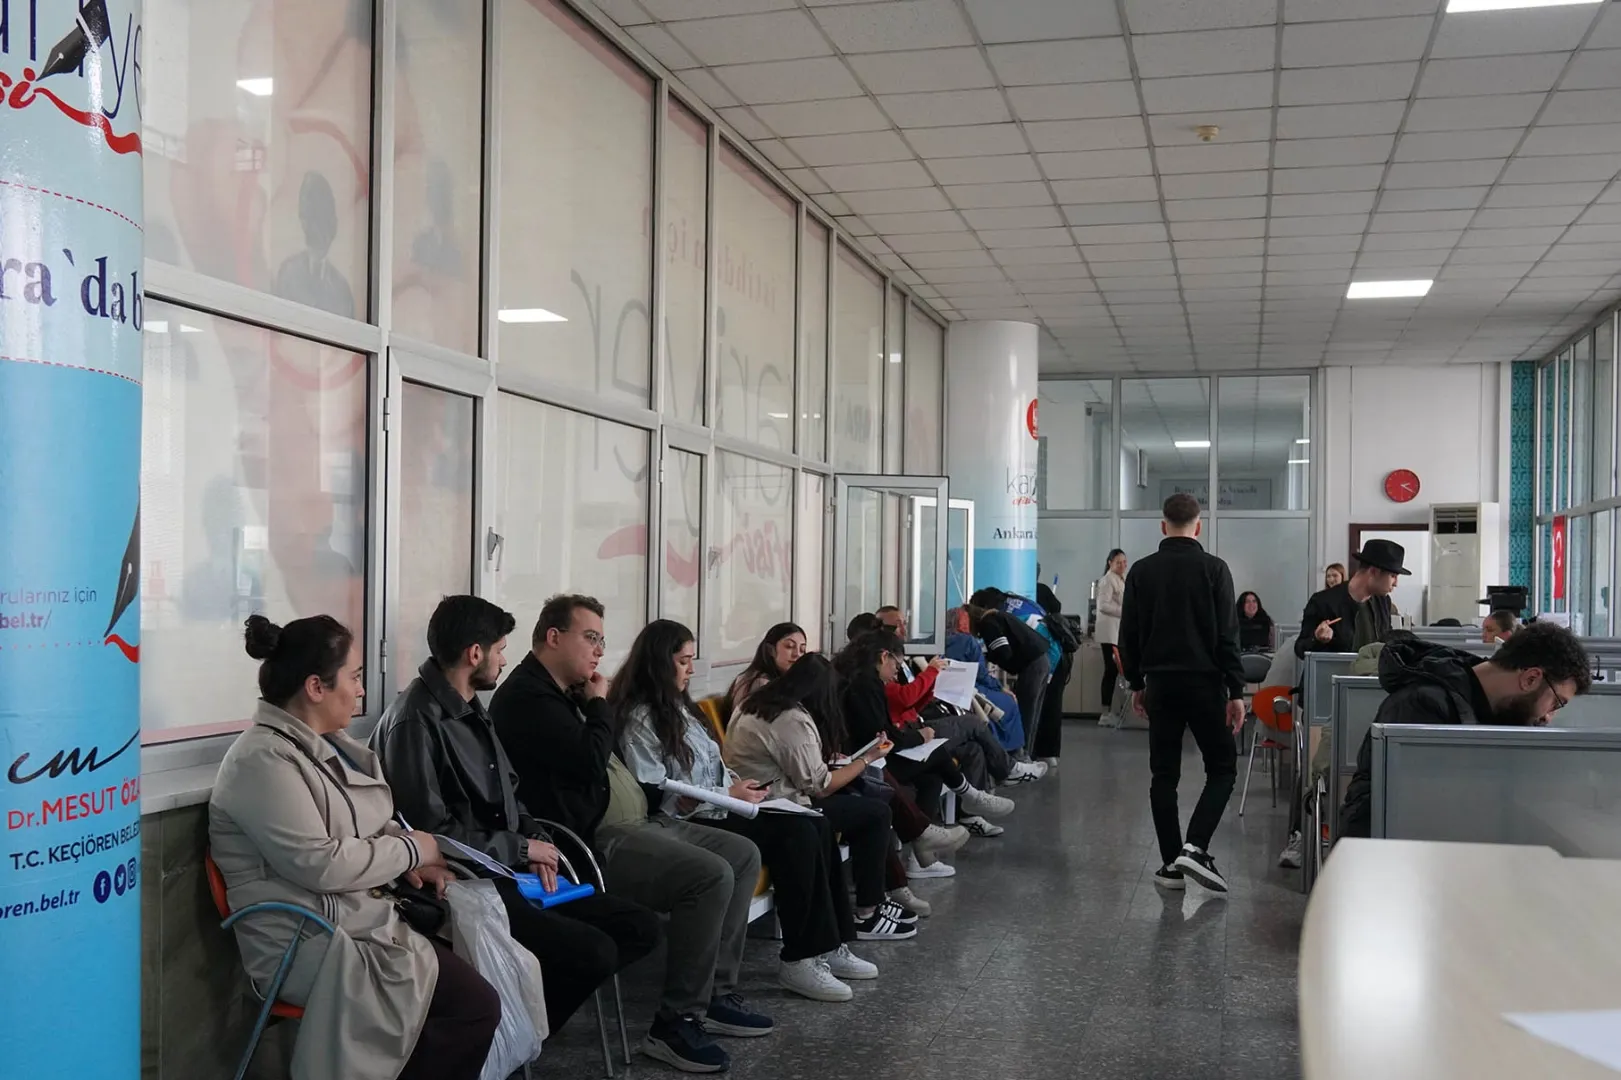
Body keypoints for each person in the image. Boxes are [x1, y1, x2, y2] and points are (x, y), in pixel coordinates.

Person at [478, 596, 763, 1072]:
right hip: (594, 841)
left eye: (602, 640)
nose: (599, 651)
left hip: (639, 822)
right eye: (590, 638)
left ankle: (716, 993)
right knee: (710, 875)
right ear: (553, 637)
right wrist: (597, 703)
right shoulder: (527, 698)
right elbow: (591, 761)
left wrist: (590, 703)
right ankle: (675, 1023)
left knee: (743, 854)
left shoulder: (564, 692)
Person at [369, 597, 665, 1054]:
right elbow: (431, 835)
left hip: (508, 869)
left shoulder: (471, 706)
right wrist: (522, 850)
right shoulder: (415, 720)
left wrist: (537, 840)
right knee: (594, 952)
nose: (505, 660)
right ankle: (503, 1038)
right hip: (469, 885)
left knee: (639, 927)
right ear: (475, 653)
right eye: (501, 649)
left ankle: (515, 1026)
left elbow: (511, 794)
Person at [211, 615, 499, 1080]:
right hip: (306, 942)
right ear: (316, 687)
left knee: (472, 984)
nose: (362, 691)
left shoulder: (324, 745)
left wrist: (411, 860)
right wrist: (414, 850)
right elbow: (321, 864)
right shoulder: (261, 760)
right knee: (472, 1007)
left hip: (355, 918)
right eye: (355, 677)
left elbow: (368, 825)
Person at [616, 621, 878, 1004]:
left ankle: (830, 943)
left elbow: (713, 763)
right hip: (693, 816)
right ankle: (800, 958)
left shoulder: (679, 708)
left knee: (815, 823)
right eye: (684, 661)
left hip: (723, 802)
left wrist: (738, 786)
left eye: (692, 660)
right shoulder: (641, 718)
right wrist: (726, 793)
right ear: (657, 663)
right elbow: (654, 787)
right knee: (796, 835)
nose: (691, 670)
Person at [723, 654, 918, 944]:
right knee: (875, 814)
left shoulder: (756, 704)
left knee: (867, 804)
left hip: (767, 796)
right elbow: (820, 787)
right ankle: (868, 911)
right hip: (780, 804)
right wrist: (867, 758)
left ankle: (875, 900)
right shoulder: (790, 719)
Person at [1339, 622, 1592, 838]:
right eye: (1556, 703)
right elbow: (1419, 816)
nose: (1548, 717)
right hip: (1388, 860)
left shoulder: (1490, 710)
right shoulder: (1423, 708)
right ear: (1530, 678)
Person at [1118, 494, 1246, 894]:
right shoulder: (1215, 569)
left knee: (1164, 775)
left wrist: (1137, 684)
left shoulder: (1141, 571)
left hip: (1160, 684)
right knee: (1222, 768)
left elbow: (1128, 635)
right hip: (1206, 684)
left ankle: (1171, 865)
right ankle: (1196, 846)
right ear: (1199, 526)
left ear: (1163, 525)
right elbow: (1228, 635)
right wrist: (1236, 691)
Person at [838, 630, 1016, 823]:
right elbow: (887, 735)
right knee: (948, 742)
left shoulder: (859, 679)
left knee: (934, 777)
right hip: (870, 760)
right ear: (883, 657)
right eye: (896, 667)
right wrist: (920, 737)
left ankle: (925, 834)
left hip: (878, 750)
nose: (896, 675)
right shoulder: (867, 686)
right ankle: (973, 794)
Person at [965, 599, 1052, 760]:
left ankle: (1021, 756)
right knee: (1033, 712)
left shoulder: (989, 624)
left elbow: (1003, 652)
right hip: (1042, 660)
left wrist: (983, 657)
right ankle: (1027, 753)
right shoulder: (997, 616)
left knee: (1026, 711)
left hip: (1032, 665)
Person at [1294, 542, 1406, 659]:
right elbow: (1300, 649)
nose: (1396, 583)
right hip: (1334, 670)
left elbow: (1385, 640)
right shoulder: (1323, 602)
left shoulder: (1383, 601)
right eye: (1393, 576)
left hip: (1372, 670)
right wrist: (1317, 639)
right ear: (1374, 572)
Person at [726, 621, 807, 712]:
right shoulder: (761, 684)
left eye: (802, 650)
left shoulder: (755, 676)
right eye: (789, 646)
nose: (797, 654)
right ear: (770, 650)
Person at [1095, 550, 1127, 712]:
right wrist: (1125, 611)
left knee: (1118, 671)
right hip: (1110, 634)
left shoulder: (1120, 579)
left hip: (1118, 633)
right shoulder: (1107, 580)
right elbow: (1103, 605)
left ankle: (1119, 710)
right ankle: (1105, 711)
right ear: (1110, 563)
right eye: (1118, 562)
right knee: (1111, 671)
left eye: (1124, 562)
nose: (1122, 565)